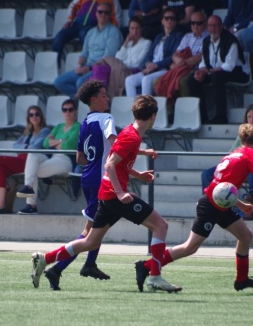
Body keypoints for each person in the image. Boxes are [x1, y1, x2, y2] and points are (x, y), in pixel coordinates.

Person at [31, 95, 182, 293]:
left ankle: (45, 259)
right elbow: (109, 164)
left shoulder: (131, 132)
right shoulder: (132, 136)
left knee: (90, 241)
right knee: (160, 226)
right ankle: (154, 276)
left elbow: (118, 161)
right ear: (153, 116)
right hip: (114, 195)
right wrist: (120, 193)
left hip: (107, 194)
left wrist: (138, 174)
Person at [134, 123, 253, 292]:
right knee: (190, 247)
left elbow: (222, 188)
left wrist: (240, 204)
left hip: (220, 204)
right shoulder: (249, 153)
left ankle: (242, 279)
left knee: (246, 236)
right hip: (211, 206)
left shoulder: (233, 154)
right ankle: (147, 265)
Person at [42, 80, 117, 291]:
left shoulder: (84, 123)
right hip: (101, 180)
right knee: (90, 232)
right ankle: (56, 268)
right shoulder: (106, 118)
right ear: (94, 100)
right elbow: (117, 144)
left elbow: (80, 158)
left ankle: (90, 263)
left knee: (100, 224)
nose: (107, 97)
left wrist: (96, 161)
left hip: (87, 177)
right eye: (103, 95)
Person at [0, 106, 51, 214]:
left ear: (41, 117)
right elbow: (15, 146)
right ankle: (1, 205)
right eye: (31, 115)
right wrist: (27, 146)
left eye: (37, 114)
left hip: (30, 162)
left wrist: (24, 146)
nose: (34, 117)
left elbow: (36, 147)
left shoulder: (45, 131)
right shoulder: (27, 132)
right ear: (28, 118)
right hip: (20, 160)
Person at [16, 100, 80, 215]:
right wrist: (61, 141)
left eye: (70, 109)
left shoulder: (78, 127)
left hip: (66, 161)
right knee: (32, 154)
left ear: (76, 111)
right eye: (65, 110)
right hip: (53, 157)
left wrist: (55, 142)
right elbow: (46, 142)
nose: (67, 112)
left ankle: (31, 204)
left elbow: (69, 146)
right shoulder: (59, 126)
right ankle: (28, 187)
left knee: (32, 170)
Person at [187, 15, 249, 124]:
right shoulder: (206, 41)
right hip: (215, 72)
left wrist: (208, 71)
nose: (213, 29)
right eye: (210, 26)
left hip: (238, 72)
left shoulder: (231, 40)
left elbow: (229, 66)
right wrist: (201, 72)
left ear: (221, 27)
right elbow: (203, 62)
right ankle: (202, 117)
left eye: (215, 26)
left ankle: (221, 116)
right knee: (193, 79)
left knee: (217, 76)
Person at [53, 2, 123, 98]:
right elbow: (84, 54)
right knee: (59, 82)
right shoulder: (90, 32)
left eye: (106, 12)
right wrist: (79, 66)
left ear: (110, 15)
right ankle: (81, 101)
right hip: (86, 67)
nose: (103, 15)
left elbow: (108, 58)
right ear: (96, 13)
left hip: (102, 69)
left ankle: (82, 103)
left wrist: (89, 68)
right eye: (100, 12)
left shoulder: (114, 32)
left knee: (80, 83)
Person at [201, 104, 253, 193]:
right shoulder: (243, 133)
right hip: (235, 163)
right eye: (249, 117)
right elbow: (231, 151)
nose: (252, 120)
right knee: (206, 174)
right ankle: (208, 198)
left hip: (250, 164)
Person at [154, 11, 209, 109]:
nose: (195, 26)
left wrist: (183, 63)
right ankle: (169, 112)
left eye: (198, 23)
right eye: (192, 23)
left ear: (205, 23)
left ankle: (189, 112)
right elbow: (175, 54)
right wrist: (178, 61)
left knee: (182, 82)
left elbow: (201, 57)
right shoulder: (187, 36)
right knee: (158, 82)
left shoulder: (208, 37)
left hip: (196, 69)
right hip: (181, 68)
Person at [124, 8, 183, 97]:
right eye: (167, 18)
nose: (169, 20)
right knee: (129, 80)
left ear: (176, 21)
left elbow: (173, 56)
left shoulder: (178, 36)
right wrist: (148, 64)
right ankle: (133, 109)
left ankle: (146, 109)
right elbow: (150, 54)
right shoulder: (159, 37)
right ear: (162, 21)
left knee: (146, 80)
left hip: (164, 69)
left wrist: (156, 65)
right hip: (152, 68)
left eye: (172, 18)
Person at [93, 16, 152, 100]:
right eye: (132, 28)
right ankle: (99, 97)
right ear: (129, 29)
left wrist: (123, 63)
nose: (134, 31)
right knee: (100, 69)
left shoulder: (146, 43)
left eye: (137, 28)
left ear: (141, 29)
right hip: (120, 68)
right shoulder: (128, 43)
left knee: (108, 59)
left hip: (132, 70)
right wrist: (126, 42)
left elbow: (138, 62)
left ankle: (107, 98)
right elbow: (118, 57)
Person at [52, 0, 122, 62]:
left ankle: (87, 63)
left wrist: (112, 30)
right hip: (77, 24)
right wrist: (70, 19)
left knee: (84, 34)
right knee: (59, 37)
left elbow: (116, 15)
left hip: (92, 26)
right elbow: (73, 5)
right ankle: (56, 65)